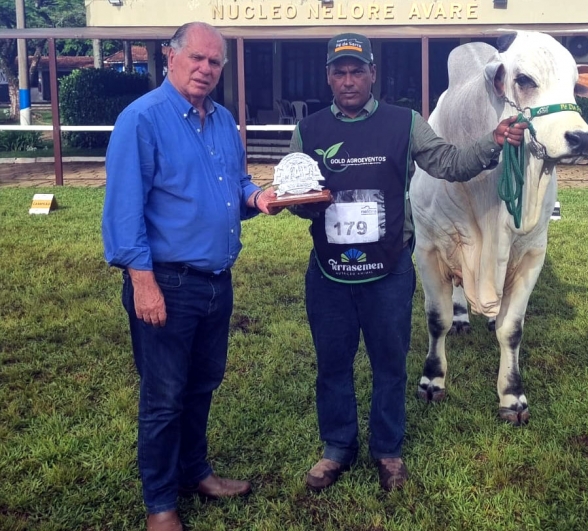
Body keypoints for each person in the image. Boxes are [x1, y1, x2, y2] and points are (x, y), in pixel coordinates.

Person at [288, 32, 524, 492]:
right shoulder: (308, 131)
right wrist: (298, 204)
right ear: (329, 77)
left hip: (388, 270)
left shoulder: (405, 123)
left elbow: (450, 163)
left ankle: (387, 450)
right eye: (340, 72)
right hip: (330, 272)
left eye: (358, 71)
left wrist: (493, 141)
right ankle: (336, 448)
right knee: (332, 365)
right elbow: (297, 194)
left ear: (372, 74)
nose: (349, 80)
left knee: (390, 364)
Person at [101, 22, 279, 531]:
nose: (205, 68)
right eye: (196, 58)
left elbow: (235, 184)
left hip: (217, 282)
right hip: (167, 284)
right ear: (170, 57)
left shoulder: (222, 121)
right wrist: (143, 285)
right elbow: (123, 212)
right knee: (163, 399)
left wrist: (257, 197)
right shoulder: (142, 119)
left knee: (202, 385)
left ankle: (195, 472)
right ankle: (160, 505)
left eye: (214, 61)